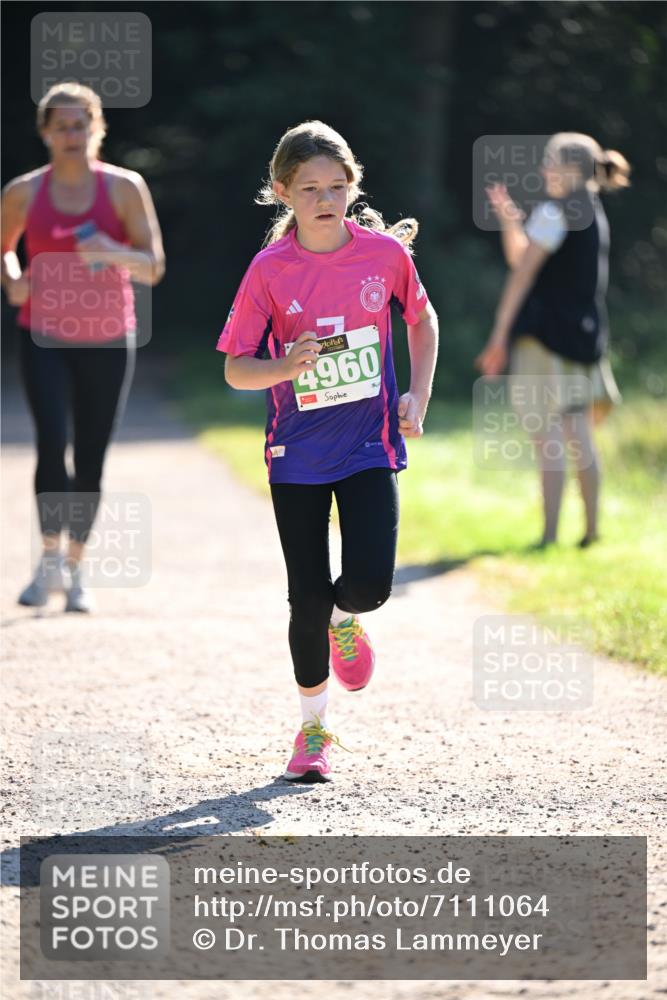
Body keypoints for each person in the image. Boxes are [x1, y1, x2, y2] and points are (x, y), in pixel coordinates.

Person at [217, 121, 438, 782]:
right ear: (282, 191)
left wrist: (418, 397)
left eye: (337, 186)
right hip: (297, 452)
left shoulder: (382, 257)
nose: (325, 198)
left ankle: (348, 619)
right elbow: (234, 368)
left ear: (353, 187)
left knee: (369, 583)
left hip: (369, 442)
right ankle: (311, 732)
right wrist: (283, 366)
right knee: (303, 599)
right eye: (309, 187)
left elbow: (421, 320)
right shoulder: (269, 270)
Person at [1, 82, 165, 611]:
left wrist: (115, 249)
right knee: (51, 443)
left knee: (91, 457)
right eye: (62, 126)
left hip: (109, 337)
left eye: (82, 125)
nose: (73, 135)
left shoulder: (123, 188)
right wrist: (13, 279)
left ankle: (74, 570)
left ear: (97, 129)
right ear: (46, 133)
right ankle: (47, 560)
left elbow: (154, 265)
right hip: (43, 334)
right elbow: (3, 251)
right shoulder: (24, 192)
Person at [476, 132, 629, 548]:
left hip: (544, 341)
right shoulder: (592, 211)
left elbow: (521, 273)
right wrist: (510, 219)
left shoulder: (554, 210)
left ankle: (548, 537)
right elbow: (523, 255)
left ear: (570, 169)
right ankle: (592, 531)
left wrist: (499, 334)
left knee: (547, 438)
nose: (543, 169)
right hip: (583, 338)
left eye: (549, 161)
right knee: (578, 432)